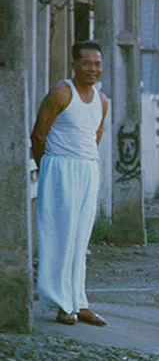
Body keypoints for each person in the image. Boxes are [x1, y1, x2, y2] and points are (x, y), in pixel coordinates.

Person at [30, 40, 109, 326]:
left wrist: (85, 166)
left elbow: (94, 137)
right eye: (87, 63)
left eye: (97, 64)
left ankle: (80, 301)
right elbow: (38, 136)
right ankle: (61, 303)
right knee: (59, 237)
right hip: (59, 167)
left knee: (80, 238)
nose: (92, 69)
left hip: (88, 169)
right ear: (75, 65)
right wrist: (48, 168)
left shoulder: (102, 100)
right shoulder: (62, 93)